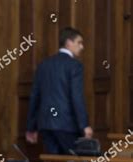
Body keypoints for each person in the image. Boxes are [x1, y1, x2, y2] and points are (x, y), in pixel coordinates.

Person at [26, 27, 93, 155]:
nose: (82, 47)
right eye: (79, 43)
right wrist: (84, 125)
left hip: (45, 124)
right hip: (67, 125)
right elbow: (76, 97)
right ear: (69, 42)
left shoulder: (44, 65)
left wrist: (31, 127)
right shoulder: (75, 66)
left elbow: (35, 97)